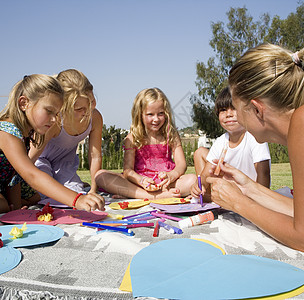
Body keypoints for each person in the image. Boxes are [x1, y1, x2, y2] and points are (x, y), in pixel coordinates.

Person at [206, 43, 304, 251]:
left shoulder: (301, 122)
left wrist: (238, 203)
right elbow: (300, 216)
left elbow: (302, 237)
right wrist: (250, 189)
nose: (236, 117)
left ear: (257, 110)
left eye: (237, 108)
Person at [0, 74, 104, 213]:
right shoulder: (7, 132)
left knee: (35, 198)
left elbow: (14, 177)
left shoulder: (24, 134)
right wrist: (77, 199)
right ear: (24, 103)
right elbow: (31, 175)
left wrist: (16, 209)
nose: (55, 120)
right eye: (49, 111)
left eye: (57, 113)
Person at [95, 87, 196, 199]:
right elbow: (128, 171)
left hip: (165, 183)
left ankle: (134, 195)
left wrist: (172, 175)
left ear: (166, 113)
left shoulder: (171, 134)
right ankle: (153, 196)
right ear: (140, 115)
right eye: (150, 114)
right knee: (100, 175)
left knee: (193, 180)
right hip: (139, 184)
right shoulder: (133, 138)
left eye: (160, 113)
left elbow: (182, 164)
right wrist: (141, 180)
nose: (156, 119)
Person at [29, 69, 103, 207]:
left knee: (76, 194)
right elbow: (30, 159)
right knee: (46, 193)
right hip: (41, 161)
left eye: (91, 102)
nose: (87, 111)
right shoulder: (54, 121)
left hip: (65, 163)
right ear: (63, 106)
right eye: (79, 109)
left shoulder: (95, 118)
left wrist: (93, 189)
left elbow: (95, 156)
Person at [191, 87, 271, 201]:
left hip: (252, 196)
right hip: (229, 195)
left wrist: (260, 201)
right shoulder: (221, 141)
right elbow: (205, 175)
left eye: (234, 108)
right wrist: (198, 186)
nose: (228, 114)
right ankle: (208, 198)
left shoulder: (255, 137)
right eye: (223, 110)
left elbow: (264, 174)